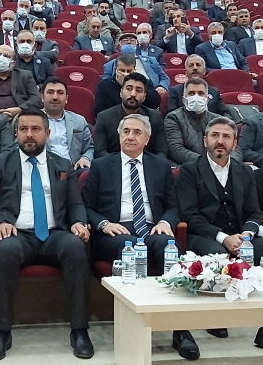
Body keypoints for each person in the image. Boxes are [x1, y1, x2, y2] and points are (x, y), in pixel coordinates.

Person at [0, 108, 93, 361]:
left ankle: (80, 330)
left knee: (75, 247)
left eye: (35, 129)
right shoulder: (0, 163)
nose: (29, 134)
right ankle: (2, 332)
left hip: (55, 234)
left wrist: (79, 222)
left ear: (47, 133)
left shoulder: (63, 165)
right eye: (23, 129)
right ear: (16, 133)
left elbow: (75, 203)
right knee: (5, 249)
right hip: (17, 234)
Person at [83, 113, 200, 360]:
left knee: (170, 247)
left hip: (151, 228)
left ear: (147, 139)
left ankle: (181, 329)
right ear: (119, 136)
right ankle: (134, 327)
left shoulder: (160, 165)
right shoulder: (102, 165)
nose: (130, 137)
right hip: (115, 231)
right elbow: (86, 206)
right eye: (126, 131)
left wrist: (165, 222)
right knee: (129, 247)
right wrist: (104, 224)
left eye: (137, 132)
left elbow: (173, 205)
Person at [177, 116, 263, 346]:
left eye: (226, 136)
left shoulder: (245, 171)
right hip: (205, 235)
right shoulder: (189, 170)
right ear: (205, 140)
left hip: (241, 235)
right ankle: (217, 319)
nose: (220, 141)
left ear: (234, 143)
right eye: (215, 136)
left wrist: (246, 236)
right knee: (218, 253)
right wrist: (223, 238)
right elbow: (190, 215)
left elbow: (254, 212)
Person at [166, 77, 240, 165]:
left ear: (207, 99)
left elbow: (235, 148)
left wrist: (228, 162)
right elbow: (176, 149)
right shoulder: (173, 118)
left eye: (200, 93)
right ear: (184, 100)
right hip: (189, 167)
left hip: (220, 165)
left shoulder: (218, 119)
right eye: (191, 93)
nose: (196, 97)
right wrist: (208, 163)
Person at [94, 73, 168, 160]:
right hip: (114, 165)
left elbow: (162, 152)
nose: (133, 94)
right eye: (129, 89)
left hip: (147, 165)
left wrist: (144, 164)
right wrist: (124, 164)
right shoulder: (104, 117)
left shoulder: (155, 117)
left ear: (144, 97)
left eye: (138, 90)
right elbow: (100, 152)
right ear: (121, 92)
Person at [42, 79, 94, 169]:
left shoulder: (79, 121)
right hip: (43, 168)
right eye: (50, 92)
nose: (55, 97)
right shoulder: (30, 120)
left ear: (66, 99)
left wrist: (85, 158)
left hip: (74, 169)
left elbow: (90, 147)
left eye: (60, 93)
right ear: (42, 97)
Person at [96, 52, 163, 114]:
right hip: (114, 119)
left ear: (134, 70)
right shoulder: (104, 85)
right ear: (115, 69)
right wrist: (124, 85)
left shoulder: (144, 82)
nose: (125, 74)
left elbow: (155, 103)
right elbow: (99, 110)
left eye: (129, 71)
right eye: (122, 70)